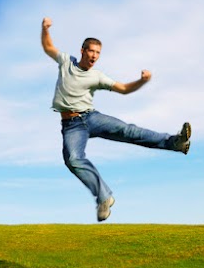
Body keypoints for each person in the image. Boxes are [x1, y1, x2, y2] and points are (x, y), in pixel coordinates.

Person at [41, 17, 191, 222]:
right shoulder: (66, 61)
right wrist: (45, 29)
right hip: (71, 125)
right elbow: (48, 46)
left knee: (129, 131)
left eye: (98, 53)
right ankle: (103, 197)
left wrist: (142, 80)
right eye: (91, 51)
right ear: (83, 50)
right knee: (73, 159)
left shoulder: (97, 76)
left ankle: (176, 142)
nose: (94, 56)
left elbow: (123, 89)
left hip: (91, 117)